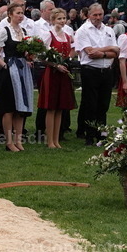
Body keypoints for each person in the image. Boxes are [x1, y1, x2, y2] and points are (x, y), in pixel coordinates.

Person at [0, 1, 33, 152]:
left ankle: (18, 140)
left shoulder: (24, 32)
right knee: (9, 107)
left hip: (22, 70)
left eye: (22, 13)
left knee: (21, 106)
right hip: (9, 70)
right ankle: (8, 141)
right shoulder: (4, 31)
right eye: (18, 13)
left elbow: (26, 54)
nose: (21, 16)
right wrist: (6, 67)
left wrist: (29, 56)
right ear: (10, 15)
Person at [74, 3, 119, 146]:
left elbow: (116, 52)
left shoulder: (108, 30)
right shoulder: (83, 31)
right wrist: (109, 49)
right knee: (90, 104)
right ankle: (89, 135)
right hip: (90, 71)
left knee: (103, 105)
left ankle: (102, 135)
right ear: (89, 15)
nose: (98, 17)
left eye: (100, 14)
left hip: (106, 71)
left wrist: (104, 52)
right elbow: (90, 53)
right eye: (95, 15)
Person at [38, 8, 76, 148]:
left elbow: (72, 50)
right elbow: (42, 57)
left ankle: (56, 139)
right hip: (52, 73)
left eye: (63, 18)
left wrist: (66, 61)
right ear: (53, 20)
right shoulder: (48, 35)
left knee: (60, 107)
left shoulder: (67, 35)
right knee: (51, 107)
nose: (62, 21)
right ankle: (50, 141)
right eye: (59, 19)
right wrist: (55, 65)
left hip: (63, 73)